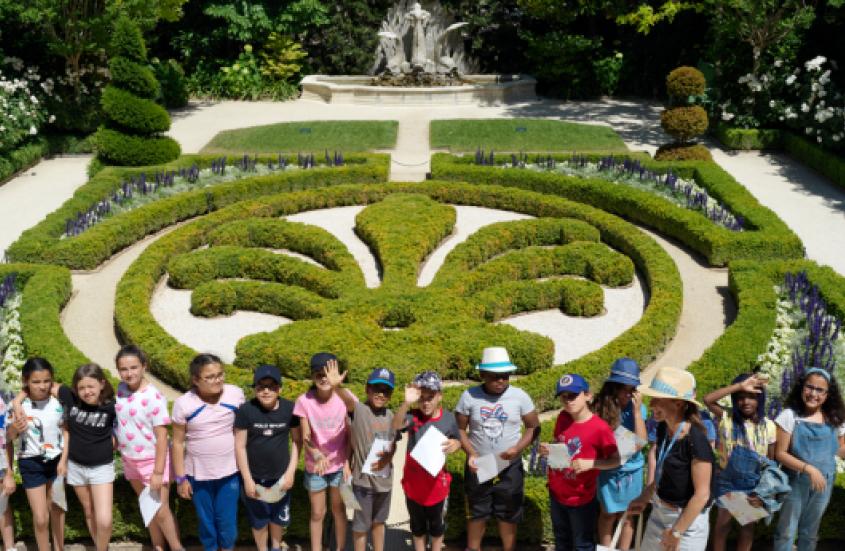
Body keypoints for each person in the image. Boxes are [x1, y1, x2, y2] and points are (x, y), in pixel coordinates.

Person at [455, 346, 540, 551]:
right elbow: (459, 429)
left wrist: (518, 448)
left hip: (509, 464)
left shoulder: (519, 396)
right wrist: (471, 454)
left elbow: (533, 426)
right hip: (479, 464)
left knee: (508, 513)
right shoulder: (469, 396)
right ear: (482, 375)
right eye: (495, 376)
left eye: (505, 376)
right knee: (477, 512)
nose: (501, 380)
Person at [628, 367, 714, 551]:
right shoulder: (662, 430)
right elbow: (663, 474)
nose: (651, 405)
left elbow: (702, 495)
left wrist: (677, 532)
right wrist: (645, 497)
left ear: (678, 403)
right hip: (659, 514)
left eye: (658, 399)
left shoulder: (696, 441)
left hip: (686, 524)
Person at [539, 374, 620, 551]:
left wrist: (591, 463)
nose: (568, 401)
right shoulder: (563, 417)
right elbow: (560, 444)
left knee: (582, 544)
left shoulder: (600, 428)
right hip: (557, 492)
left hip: (581, 499)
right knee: (561, 541)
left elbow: (616, 460)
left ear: (588, 396)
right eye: (564, 396)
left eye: (573, 395)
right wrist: (549, 450)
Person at [171, 353, 245, 551]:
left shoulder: (235, 394)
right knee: (207, 524)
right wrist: (180, 479)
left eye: (220, 374)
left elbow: (243, 432)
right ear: (195, 380)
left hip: (229, 473)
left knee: (227, 523)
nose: (217, 380)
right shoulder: (184, 404)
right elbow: (177, 443)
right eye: (210, 377)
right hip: (198, 475)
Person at [114, 345, 183, 551]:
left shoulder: (154, 396)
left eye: (134, 367)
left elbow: (163, 436)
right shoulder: (120, 389)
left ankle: (177, 548)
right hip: (130, 460)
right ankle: (158, 546)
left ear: (144, 366)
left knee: (161, 510)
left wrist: (158, 472)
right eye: (124, 369)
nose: (129, 373)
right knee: (148, 507)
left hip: (153, 461)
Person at [773, 367, 845, 551]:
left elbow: (840, 449)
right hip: (795, 481)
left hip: (824, 483)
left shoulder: (835, 418)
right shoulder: (789, 416)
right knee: (786, 532)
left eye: (820, 390)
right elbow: (780, 453)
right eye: (809, 387)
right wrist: (809, 469)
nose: (813, 393)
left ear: (828, 394)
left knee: (810, 533)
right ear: (801, 388)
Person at [703, 372, 775, 551]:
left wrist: (764, 489)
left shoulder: (768, 426)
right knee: (723, 524)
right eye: (741, 397)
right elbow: (708, 400)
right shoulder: (726, 417)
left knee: (747, 527)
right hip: (728, 481)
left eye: (752, 397)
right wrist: (739, 386)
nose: (746, 402)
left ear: (761, 399)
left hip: (752, 482)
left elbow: (771, 460)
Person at [235, 364, 301, 551]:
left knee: (278, 517)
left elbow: (297, 442)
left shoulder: (290, 409)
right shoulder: (246, 410)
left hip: (280, 477)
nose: (266, 391)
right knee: (259, 520)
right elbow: (239, 446)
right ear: (255, 388)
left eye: (271, 386)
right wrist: (247, 479)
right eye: (260, 386)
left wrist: (290, 473)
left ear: (279, 388)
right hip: (254, 478)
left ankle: (275, 546)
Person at [393, 371, 462, 551]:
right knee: (417, 528)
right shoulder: (413, 416)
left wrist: (457, 443)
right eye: (421, 398)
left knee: (437, 527)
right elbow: (395, 425)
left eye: (430, 397)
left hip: (437, 485)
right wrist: (406, 402)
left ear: (439, 396)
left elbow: (458, 439)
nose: (425, 402)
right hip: (413, 484)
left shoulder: (448, 418)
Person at [332, 366, 396, 551]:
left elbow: (393, 444)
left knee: (379, 522)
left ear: (391, 394)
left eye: (386, 391)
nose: (381, 394)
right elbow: (347, 401)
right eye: (376, 388)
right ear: (367, 389)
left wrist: (389, 455)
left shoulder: (391, 415)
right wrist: (337, 386)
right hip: (364, 484)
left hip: (385, 482)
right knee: (360, 527)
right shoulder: (359, 410)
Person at [293, 352, 352, 551]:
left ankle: (340, 548)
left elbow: (351, 433)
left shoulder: (344, 398)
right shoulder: (304, 401)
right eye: (319, 374)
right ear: (312, 376)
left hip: (339, 466)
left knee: (339, 510)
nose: (324, 378)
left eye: (328, 373)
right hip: (315, 465)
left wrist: (347, 463)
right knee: (318, 513)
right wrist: (316, 453)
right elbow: (305, 436)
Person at [57, 364, 117, 551]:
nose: (86, 391)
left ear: (102, 383)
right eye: (81, 387)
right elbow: (40, 383)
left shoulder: (111, 406)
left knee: (105, 520)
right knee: (89, 511)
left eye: (91, 386)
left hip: (102, 467)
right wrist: (18, 401)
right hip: (76, 466)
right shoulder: (69, 396)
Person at [7, 358, 65, 551]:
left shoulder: (59, 400)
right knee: (40, 517)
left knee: (56, 510)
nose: (42, 386)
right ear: (26, 381)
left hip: (57, 462)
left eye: (46, 381)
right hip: (30, 463)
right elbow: (6, 438)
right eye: (36, 381)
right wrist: (14, 428)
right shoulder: (17, 406)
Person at [593, 359, 648, 550]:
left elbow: (641, 441)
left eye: (631, 389)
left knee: (628, 516)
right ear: (613, 387)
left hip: (632, 470)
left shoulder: (638, 409)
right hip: (609, 470)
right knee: (607, 513)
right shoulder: (600, 407)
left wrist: (637, 413)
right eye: (623, 388)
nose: (628, 394)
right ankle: (606, 548)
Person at [0, 391, 17, 551]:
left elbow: (8, 440)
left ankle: (9, 547)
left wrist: (9, 473)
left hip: (1, 465)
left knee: (2, 507)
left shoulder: (5, 397)